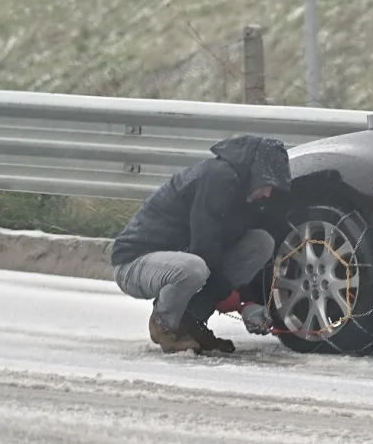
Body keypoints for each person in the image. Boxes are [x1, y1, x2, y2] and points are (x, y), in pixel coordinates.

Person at [110, 134, 292, 354]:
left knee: (261, 242)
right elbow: (206, 249)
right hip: (135, 262)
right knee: (194, 268)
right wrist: (240, 304)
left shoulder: (246, 193)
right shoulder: (217, 179)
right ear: (254, 173)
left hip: (182, 258)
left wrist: (252, 301)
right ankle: (165, 324)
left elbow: (224, 254)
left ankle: (190, 322)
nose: (267, 193)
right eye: (267, 183)